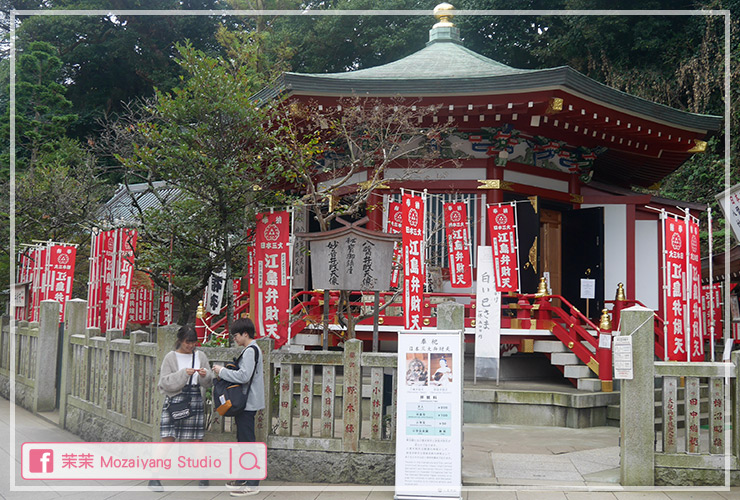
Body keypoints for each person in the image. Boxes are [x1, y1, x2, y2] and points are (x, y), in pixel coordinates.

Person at [150, 325, 213, 490]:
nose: (190, 346)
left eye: (193, 342)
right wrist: (184, 373)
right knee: (167, 438)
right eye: (187, 342)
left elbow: (208, 382)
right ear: (180, 340)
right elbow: (164, 382)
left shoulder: (201, 356)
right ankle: (154, 477)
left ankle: (204, 476)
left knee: (197, 439)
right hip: (174, 399)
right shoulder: (170, 357)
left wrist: (206, 375)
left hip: (194, 398)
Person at [212, 318, 264, 497]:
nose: (234, 338)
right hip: (247, 402)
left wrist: (222, 371)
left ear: (245, 334)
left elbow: (244, 376)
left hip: (247, 403)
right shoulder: (251, 349)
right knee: (244, 441)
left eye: (236, 335)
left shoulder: (250, 351)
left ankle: (252, 483)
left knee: (247, 442)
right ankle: (244, 477)